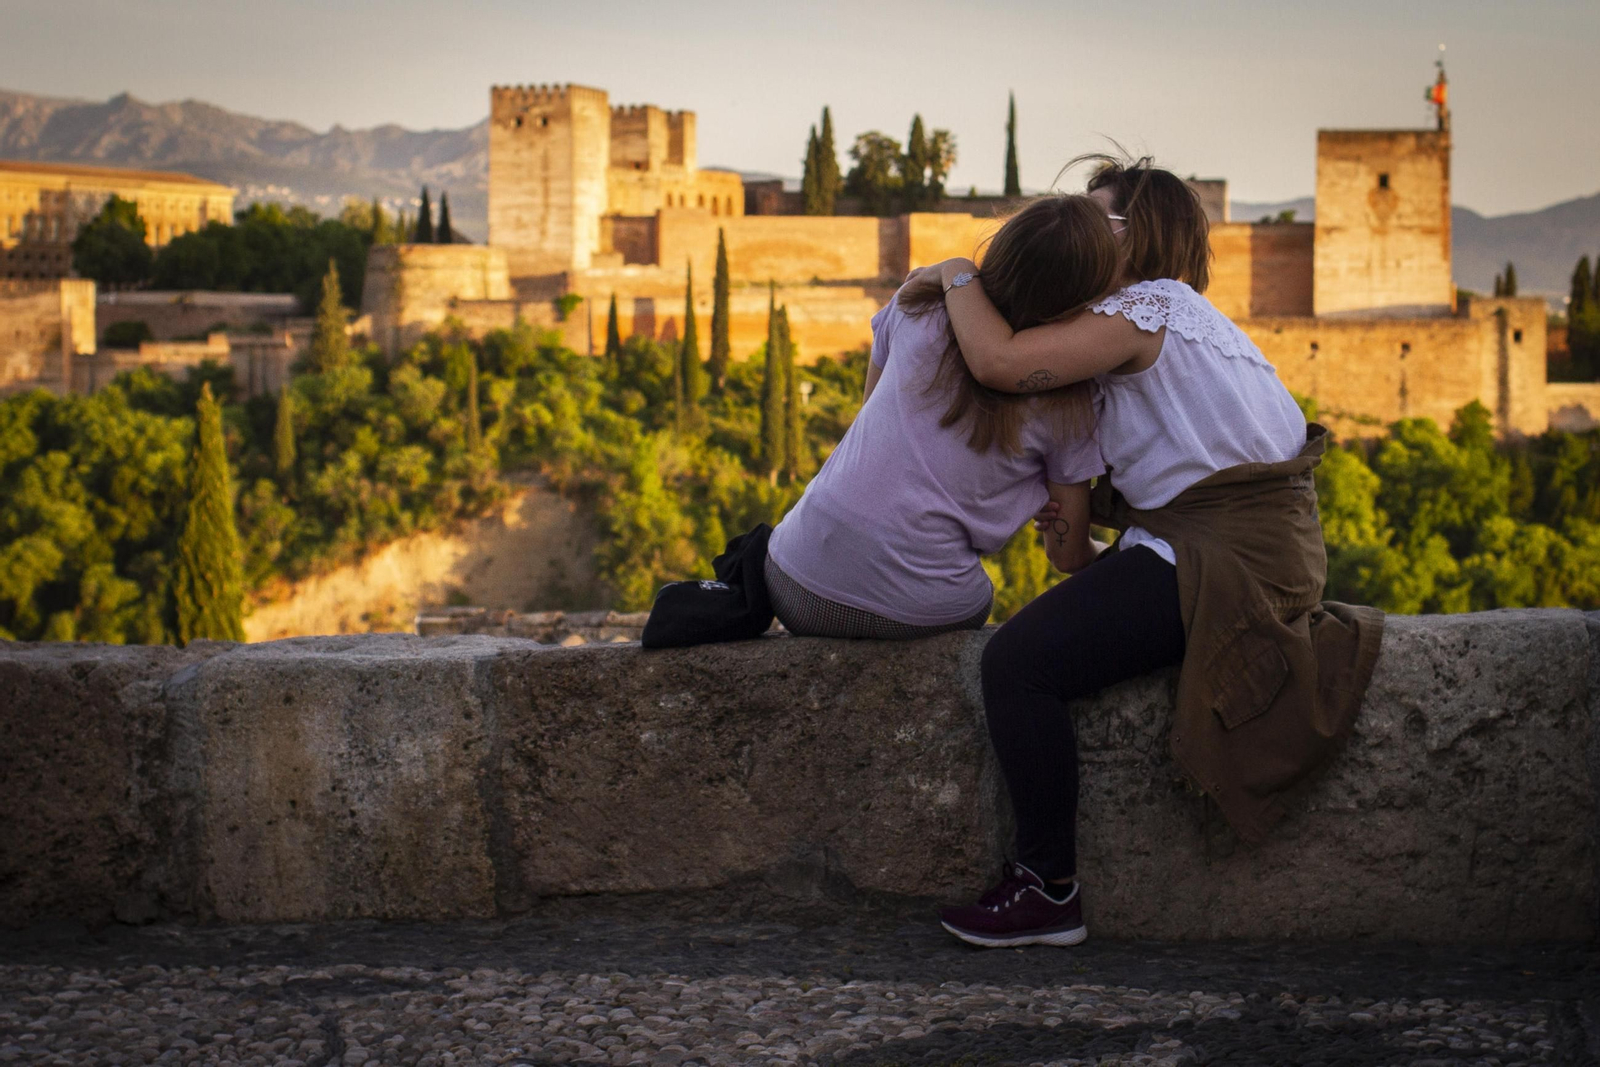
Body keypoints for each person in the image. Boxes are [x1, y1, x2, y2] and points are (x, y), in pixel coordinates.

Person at [926, 157, 1383, 949]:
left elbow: (996, 361)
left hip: (1223, 552)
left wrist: (956, 272)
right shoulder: (1178, 326)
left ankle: (1047, 888)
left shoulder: (1150, 306)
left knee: (1017, 663)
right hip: (1231, 545)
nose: (1082, 234)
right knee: (1045, 643)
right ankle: (1044, 888)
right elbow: (1075, 563)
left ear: (1142, 239)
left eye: (1100, 223)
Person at [763, 194, 1121, 640]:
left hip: (790, 575)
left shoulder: (919, 306)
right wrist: (1112, 550)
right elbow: (1067, 556)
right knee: (978, 593)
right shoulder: (1071, 401)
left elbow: (870, 418)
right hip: (906, 610)